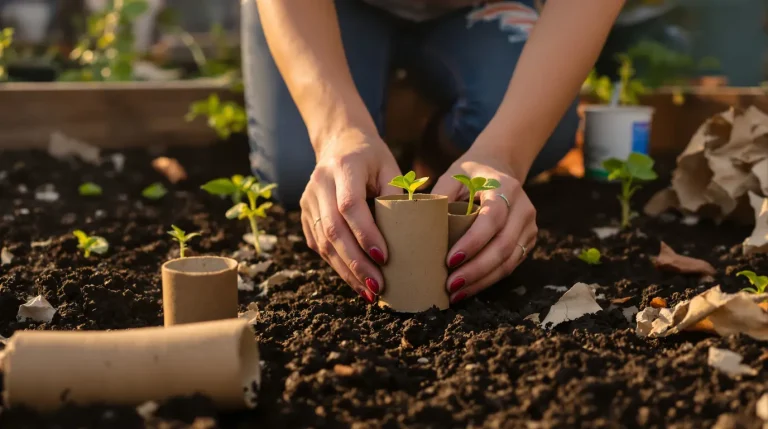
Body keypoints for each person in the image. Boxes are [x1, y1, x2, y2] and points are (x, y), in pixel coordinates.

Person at [241, 0, 624, 305]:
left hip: (477, 7)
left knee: (545, 136)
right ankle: (373, 114)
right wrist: (338, 133)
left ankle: (421, 136)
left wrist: (503, 155)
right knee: (298, 171)